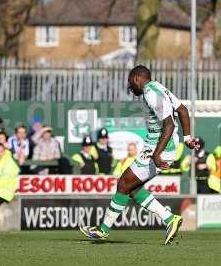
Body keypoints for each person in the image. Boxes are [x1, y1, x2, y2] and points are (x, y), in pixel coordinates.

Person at [80, 65, 199, 245]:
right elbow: (182, 110)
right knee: (132, 188)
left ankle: (103, 231)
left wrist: (157, 154)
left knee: (123, 183)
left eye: (129, 81)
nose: (129, 86)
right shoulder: (160, 88)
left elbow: (169, 124)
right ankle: (169, 219)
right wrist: (188, 137)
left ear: (136, 78)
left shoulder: (151, 93)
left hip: (160, 148)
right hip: (156, 147)